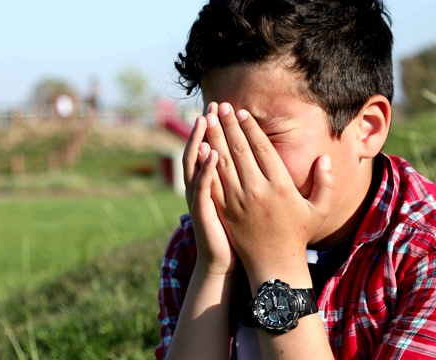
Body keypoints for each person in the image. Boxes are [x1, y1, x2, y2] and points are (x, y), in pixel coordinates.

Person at [155, 1, 436, 359]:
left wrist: (277, 265)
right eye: (219, 133)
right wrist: (214, 270)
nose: (229, 160)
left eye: (262, 137)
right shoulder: (196, 247)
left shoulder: (423, 255)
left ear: (367, 128)